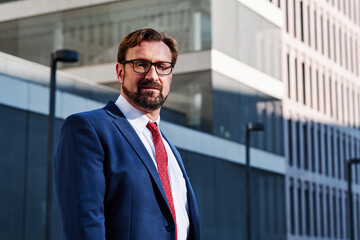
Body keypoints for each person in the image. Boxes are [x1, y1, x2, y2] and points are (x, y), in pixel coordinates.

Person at [54, 28, 200, 240]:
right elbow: (84, 227)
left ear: (170, 76)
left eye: (162, 67)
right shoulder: (87, 129)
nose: (153, 76)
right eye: (141, 64)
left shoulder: (170, 150)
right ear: (120, 72)